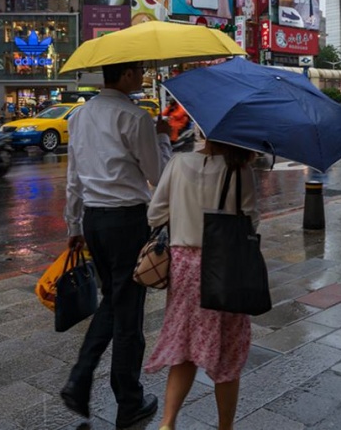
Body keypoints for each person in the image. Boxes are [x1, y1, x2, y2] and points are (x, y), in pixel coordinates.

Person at [61, 61, 171, 428]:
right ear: (124, 75)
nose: (142, 76)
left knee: (116, 300)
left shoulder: (79, 116)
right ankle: (125, 397)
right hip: (127, 221)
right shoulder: (135, 117)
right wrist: (163, 138)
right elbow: (158, 175)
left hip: (93, 220)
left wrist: (74, 222)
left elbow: (73, 176)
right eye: (138, 71)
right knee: (128, 313)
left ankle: (86, 379)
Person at [144, 140, 258, 430]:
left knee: (183, 345)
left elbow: (154, 215)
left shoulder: (178, 162)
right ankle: (224, 427)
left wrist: (183, 215)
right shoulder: (240, 169)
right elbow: (250, 222)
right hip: (226, 266)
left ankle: (167, 423)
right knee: (229, 352)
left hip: (183, 267)